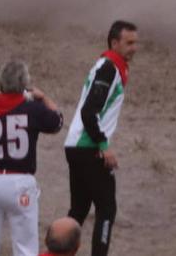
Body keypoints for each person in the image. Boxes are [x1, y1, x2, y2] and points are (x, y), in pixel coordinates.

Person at [0, 61, 64, 256]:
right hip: (20, 183)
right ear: (25, 84)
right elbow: (57, 121)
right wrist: (43, 97)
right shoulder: (33, 109)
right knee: (25, 249)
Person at [64, 20, 138, 256]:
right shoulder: (109, 68)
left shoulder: (108, 65)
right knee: (106, 209)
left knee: (79, 210)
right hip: (88, 147)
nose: (133, 48)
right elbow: (89, 111)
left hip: (76, 145)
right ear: (114, 42)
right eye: (128, 43)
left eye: (135, 43)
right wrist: (104, 146)